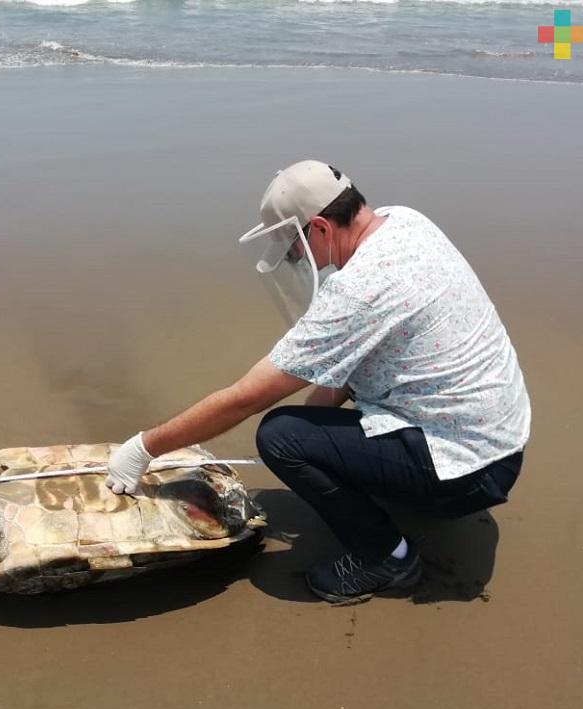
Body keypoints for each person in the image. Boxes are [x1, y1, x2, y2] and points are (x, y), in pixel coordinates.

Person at [106, 160, 531, 604]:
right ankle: (395, 494)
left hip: (465, 472)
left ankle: (387, 557)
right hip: (497, 441)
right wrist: (323, 449)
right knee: (305, 430)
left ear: (322, 228)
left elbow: (245, 398)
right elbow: (357, 360)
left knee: (281, 436)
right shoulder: (406, 221)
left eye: (293, 247)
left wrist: (145, 448)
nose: (294, 259)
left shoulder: (360, 289)